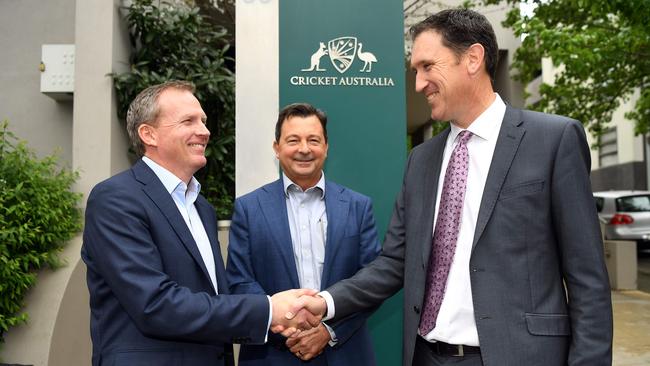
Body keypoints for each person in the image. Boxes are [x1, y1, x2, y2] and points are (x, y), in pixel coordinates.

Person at [294, 8, 613, 366]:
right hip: (426, 356)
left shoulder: (553, 140)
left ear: (473, 59)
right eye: (415, 70)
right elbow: (395, 263)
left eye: (428, 67)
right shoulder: (421, 159)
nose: (418, 83)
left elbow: (588, 280)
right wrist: (326, 301)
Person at [81, 81, 319, 366]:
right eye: (188, 121)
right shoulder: (116, 199)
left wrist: (281, 314)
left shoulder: (201, 208)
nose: (204, 131)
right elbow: (155, 305)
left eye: (204, 121)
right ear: (149, 134)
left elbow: (214, 298)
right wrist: (268, 310)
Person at [226, 103, 381, 365]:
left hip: (345, 352)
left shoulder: (358, 206)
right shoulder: (249, 208)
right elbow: (239, 281)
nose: (304, 149)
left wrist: (328, 332)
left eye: (313, 140)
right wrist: (286, 327)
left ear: (326, 146)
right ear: (277, 148)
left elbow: (372, 282)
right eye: (293, 140)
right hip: (273, 354)